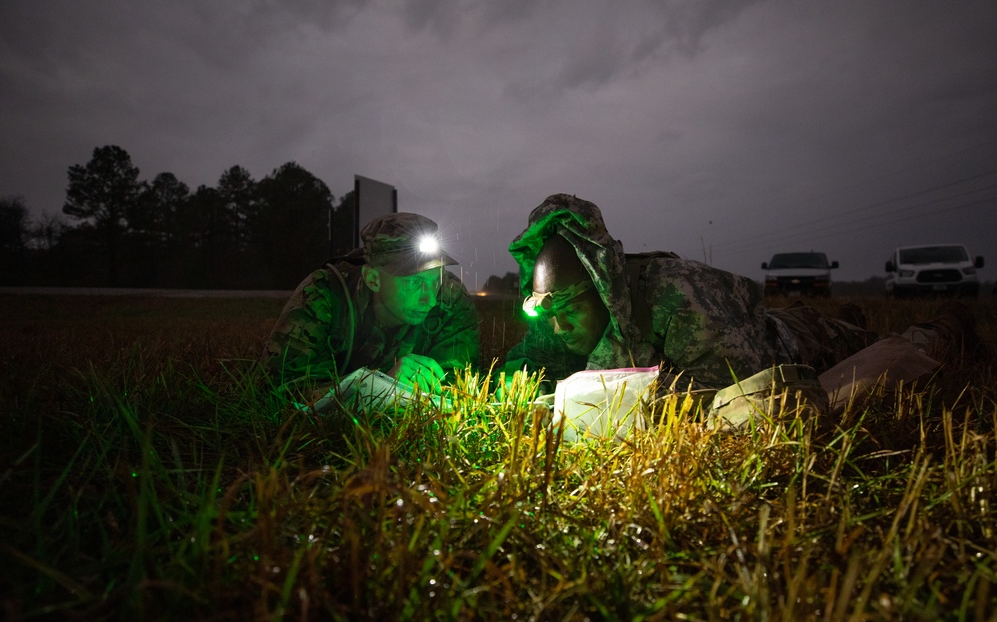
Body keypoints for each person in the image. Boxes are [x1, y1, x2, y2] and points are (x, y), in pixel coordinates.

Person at [501, 193, 910, 393]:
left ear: (603, 286)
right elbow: (520, 369)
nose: (557, 326)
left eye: (569, 307)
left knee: (878, 343)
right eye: (544, 311)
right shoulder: (558, 316)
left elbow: (742, 391)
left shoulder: (681, 298)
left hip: (787, 342)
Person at [265, 212, 480, 400]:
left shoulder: (451, 299)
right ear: (373, 279)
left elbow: (455, 385)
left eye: (436, 279)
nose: (430, 299)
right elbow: (281, 388)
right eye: (414, 282)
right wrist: (378, 386)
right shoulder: (325, 294)